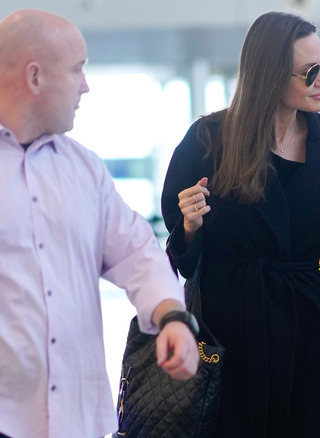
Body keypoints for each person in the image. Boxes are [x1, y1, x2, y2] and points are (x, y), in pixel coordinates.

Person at [160, 11, 320, 437]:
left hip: (306, 335)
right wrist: (190, 227)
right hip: (226, 336)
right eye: (310, 72)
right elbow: (180, 255)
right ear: (270, 75)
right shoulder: (207, 142)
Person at [0, 9, 199, 438]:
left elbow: (135, 252)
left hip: (77, 416)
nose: (85, 87)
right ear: (35, 78)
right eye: (76, 70)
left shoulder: (83, 170)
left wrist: (172, 317)